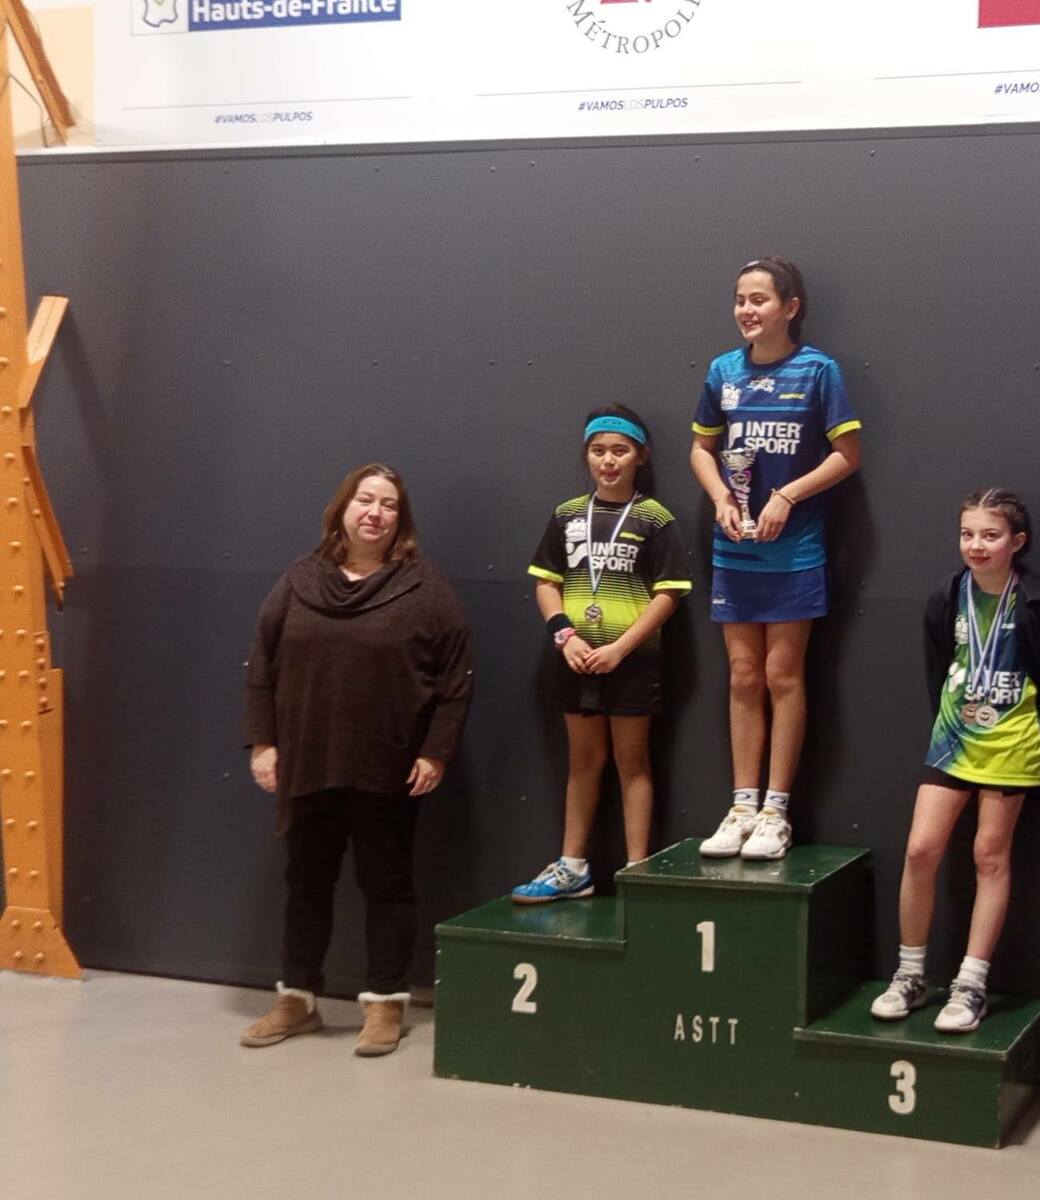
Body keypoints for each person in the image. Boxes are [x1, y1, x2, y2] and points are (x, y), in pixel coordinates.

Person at [240, 463, 473, 1056]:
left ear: (401, 519)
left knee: (386, 884)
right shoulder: (299, 580)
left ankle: (385, 1005)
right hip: (308, 762)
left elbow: (455, 681)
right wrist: (264, 743)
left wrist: (435, 752)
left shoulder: (425, 588)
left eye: (388, 505)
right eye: (365, 500)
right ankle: (297, 999)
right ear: (343, 508)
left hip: (386, 767)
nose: (375, 513)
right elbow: (261, 665)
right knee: (306, 882)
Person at [870, 489, 1040, 1033]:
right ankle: (910, 975)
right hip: (953, 738)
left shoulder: (1037, 600)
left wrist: (1032, 727)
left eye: (990, 535)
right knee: (921, 849)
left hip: (1011, 742)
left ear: (1017, 541)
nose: (976, 545)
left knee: (990, 856)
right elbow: (938, 668)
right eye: (967, 534)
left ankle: (971, 985)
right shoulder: (946, 595)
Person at [689, 255, 862, 861]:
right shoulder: (722, 371)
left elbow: (847, 454)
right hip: (735, 546)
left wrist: (787, 496)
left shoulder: (818, 370)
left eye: (759, 299)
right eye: (740, 299)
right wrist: (720, 498)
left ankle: (776, 811)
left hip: (795, 549)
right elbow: (701, 448)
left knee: (782, 676)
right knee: (742, 676)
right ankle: (741, 806)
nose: (747, 310)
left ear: (790, 307)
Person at [511, 406, 691, 902]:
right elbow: (546, 582)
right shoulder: (567, 514)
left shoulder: (655, 518)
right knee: (583, 762)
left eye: (619, 451)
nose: (608, 461)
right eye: (598, 451)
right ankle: (573, 867)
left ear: (640, 456)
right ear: (586, 455)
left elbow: (669, 594)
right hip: (575, 658)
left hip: (632, 660)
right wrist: (565, 637)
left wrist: (620, 648)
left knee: (633, 762)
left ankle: (637, 870)